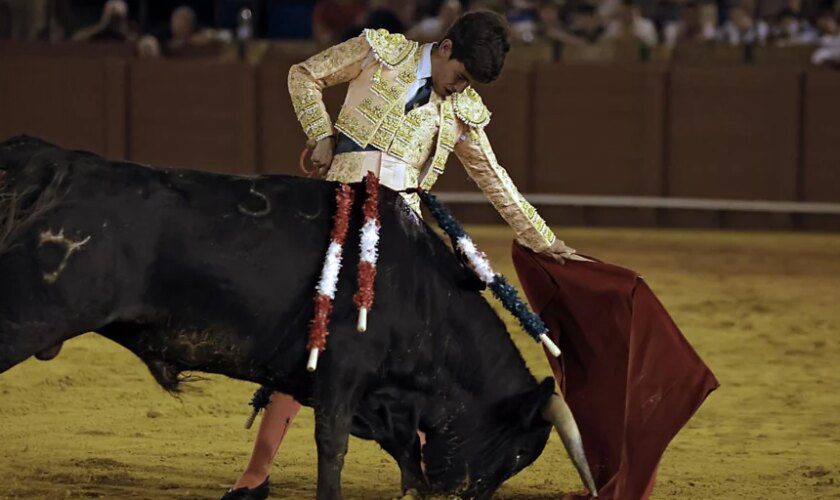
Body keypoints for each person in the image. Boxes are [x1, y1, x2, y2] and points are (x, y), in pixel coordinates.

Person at [221, 10, 575, 500]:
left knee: (419, 354)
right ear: (446, 49)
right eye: (461, 77)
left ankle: (424, 477)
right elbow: (303, 74)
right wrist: (320, 134)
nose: (460, 89)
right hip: (336, 218)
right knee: (312, 343)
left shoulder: (463, 108)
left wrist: (543, 239)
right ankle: (255, 476)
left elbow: (494, 178)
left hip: (402, 241)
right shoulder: (377, 51)